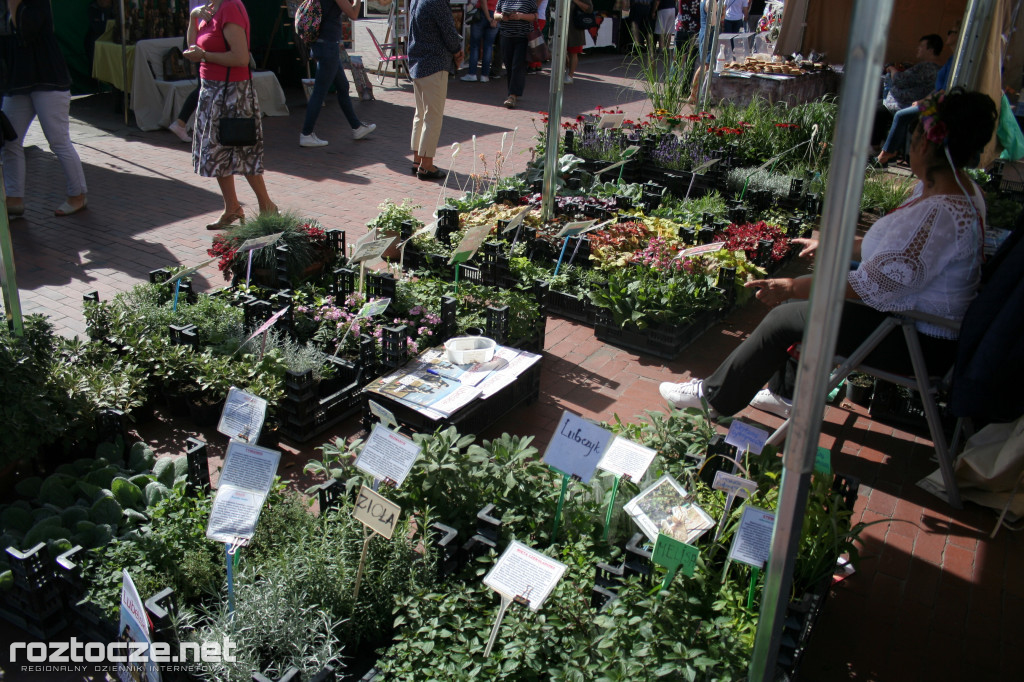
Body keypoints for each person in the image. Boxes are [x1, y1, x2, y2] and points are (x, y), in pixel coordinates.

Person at [658, 90, 997, 421]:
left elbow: (864, 285)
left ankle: (713, 396)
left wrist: (790, 286)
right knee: (814, 291)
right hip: (910, 320)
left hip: (915, 343)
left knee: (785, 318)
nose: (908, 149)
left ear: (926, 143)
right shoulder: (954, 190)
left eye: (912, 139)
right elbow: (895, 252)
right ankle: (784, 395)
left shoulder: (938, 213)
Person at [183, 0, 277, 230]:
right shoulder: (210, 7)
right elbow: (192, 46)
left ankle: (267, 205)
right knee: (218, 153)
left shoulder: (230, 7)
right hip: (212, 89)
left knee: (240, 150)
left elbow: (240, 58)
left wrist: (205, 55)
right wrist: (193, 18)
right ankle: (232, 207)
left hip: (232, 92)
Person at [2, 0, 89, 218]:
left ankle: (77, 194)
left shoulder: (37, 4)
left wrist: (13, 4)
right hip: (18, 81)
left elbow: (25, 31)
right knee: (10, 140)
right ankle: (14, 198)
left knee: (58, 140)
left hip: (48, 78)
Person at [299, 0, 376, 148]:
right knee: (320, 91)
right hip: (328, 46)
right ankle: (306, 134)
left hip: (323, 45)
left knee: (343, 86)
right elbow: (353, 14)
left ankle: (357, 127)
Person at [876, 26, 957, 166]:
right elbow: (939, 88)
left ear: (931, 50)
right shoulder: (949, 61)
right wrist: (922, 100)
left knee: (899, 115)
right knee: (896, 114)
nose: (917, 49)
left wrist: (892, 69)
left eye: (952, 31)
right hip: (932, 101)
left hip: (938, 103)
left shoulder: (931, 65)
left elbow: (945, 89)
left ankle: (886, 153)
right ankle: (887, 152)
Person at [407, 0, 463, 179]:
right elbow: (449, 32)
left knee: (421, 114)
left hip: (418, 62)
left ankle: (418, 160)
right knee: (433, 116)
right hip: (434, 63)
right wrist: (457, 51)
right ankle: (426, 164)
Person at [494, 0, 537, 109]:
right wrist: (502, 17)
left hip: (523, 37)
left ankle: (512, 95)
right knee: (508, 65)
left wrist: (520, 16)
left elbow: (535, 16)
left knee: (517, 65)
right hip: (506, 36)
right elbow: (495, 14)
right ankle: (513, 92)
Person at [461, 0, 500, 82]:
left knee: (475, 45)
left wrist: (488, 18)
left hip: (482, 13)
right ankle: (484, 75)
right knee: (488, 46)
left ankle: (472, 74)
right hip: (496, 14)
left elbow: (483, 1)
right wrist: (495, 19)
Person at [564, 0, 592, 84]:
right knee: (559, 51)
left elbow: (589, 8)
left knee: (573, 52)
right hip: (561, 27)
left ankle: (570, 75)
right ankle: (568, 68)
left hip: (575, 28)